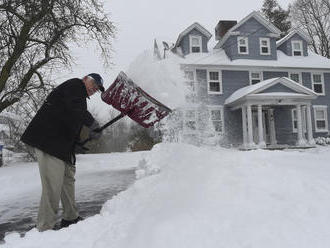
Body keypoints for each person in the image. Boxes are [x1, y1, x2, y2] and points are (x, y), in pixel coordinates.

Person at [21, 73, 105, 231]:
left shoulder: (79, 100)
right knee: (53, 185)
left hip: (61, 146)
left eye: (97, 89)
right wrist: (92, 123)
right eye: (93, 85)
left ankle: (70, 217)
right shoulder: (75, 85)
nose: (94, 89)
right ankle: (44, 227)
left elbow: (71, 119)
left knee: (67, 180)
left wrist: (77, 144)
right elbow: (74, 107)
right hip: (48, 142)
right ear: (85, 78)